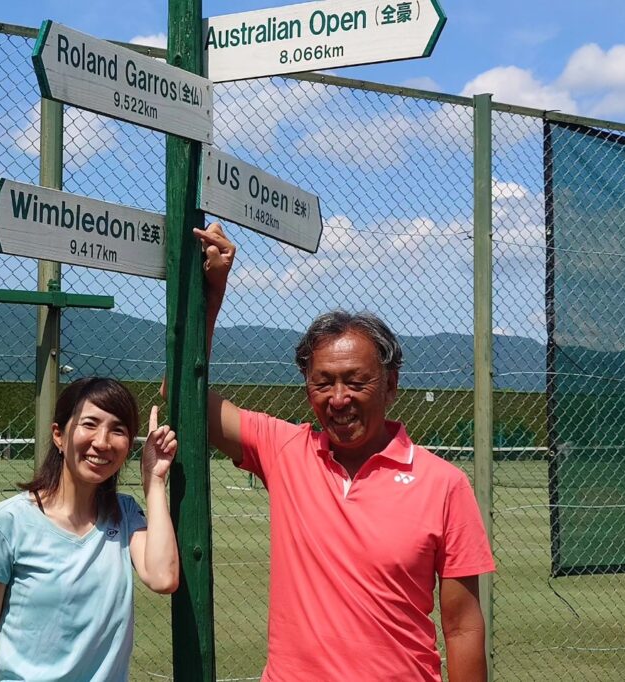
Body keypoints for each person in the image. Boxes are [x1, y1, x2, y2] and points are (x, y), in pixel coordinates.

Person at [194, 223, 495, 682]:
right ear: (306, 386)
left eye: (356, 382)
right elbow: (183, 395)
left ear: (391, 385)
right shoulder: (284, 449)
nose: (338, 398)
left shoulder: (444, 484)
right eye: (323, 382)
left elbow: (463, 626)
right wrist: (212, 295)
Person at [0, 377, 179, 682]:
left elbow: (163, 577)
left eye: (118, 430)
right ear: (59, 435)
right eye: (89, 424)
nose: (102, 442)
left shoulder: (125, 514)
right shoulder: (9, 521)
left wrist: (154, 481)